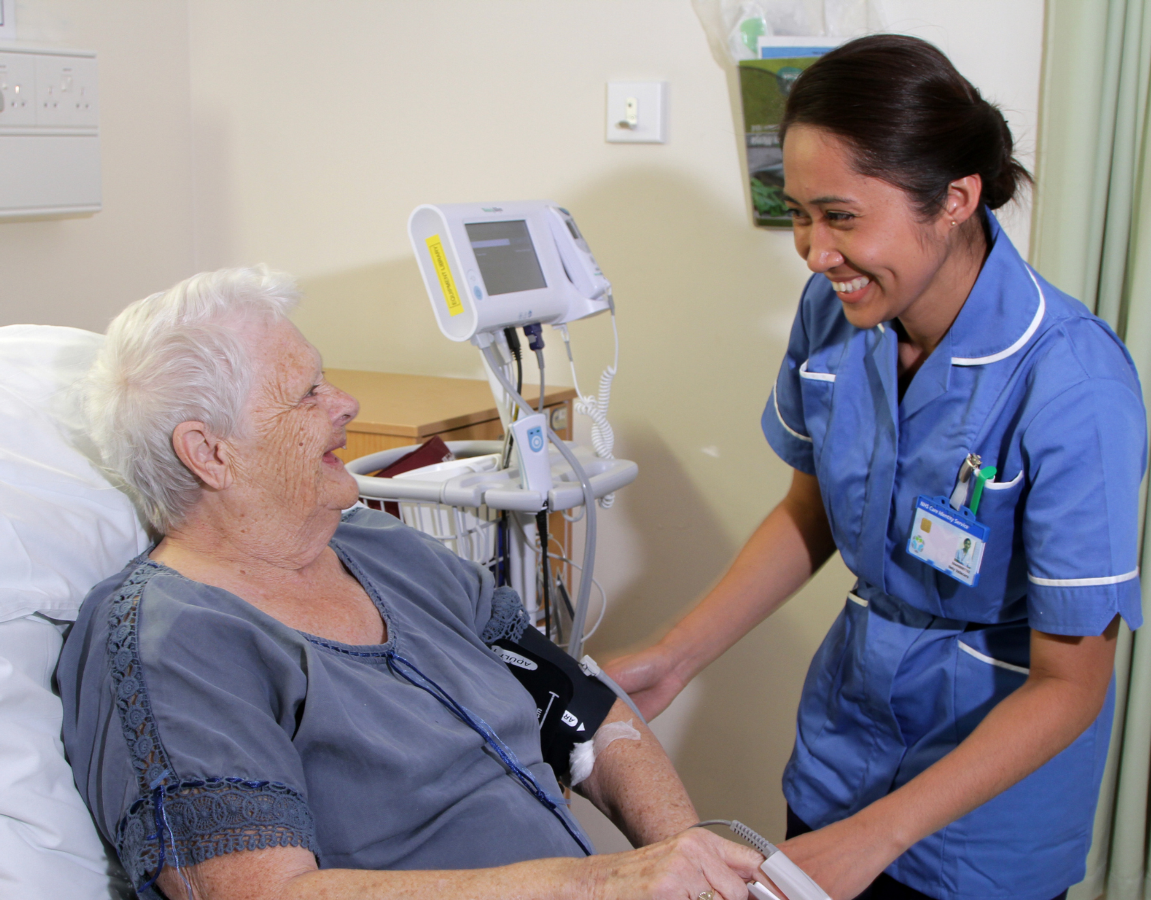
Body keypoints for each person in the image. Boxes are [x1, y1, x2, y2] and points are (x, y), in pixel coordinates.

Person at [607, 35, 1146, 900]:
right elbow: (809, 514)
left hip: (984, 827)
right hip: (839, 756)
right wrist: (675, 656)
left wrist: (877, 838)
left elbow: (1073, 683)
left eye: (843, 216)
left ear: (957, 198)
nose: (815, 253)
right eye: (800, 214)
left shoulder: (1073, 385)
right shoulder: (837, 313)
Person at [58, 267, 762, 900]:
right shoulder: (170, 641)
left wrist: (689, 861)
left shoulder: (379, 544)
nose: (346, 403)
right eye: (307, 394)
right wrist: (600, 883)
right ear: (209, 452)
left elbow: (579, 709)